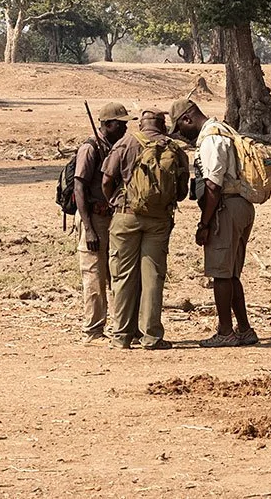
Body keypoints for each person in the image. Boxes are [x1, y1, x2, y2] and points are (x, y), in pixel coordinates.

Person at [99, 107, 190, 349]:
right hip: (159, 220)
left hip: (126, 216)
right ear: (163, 125)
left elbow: (107, 179)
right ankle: (151, 336)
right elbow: (182, 192)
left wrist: (113, 203)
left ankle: (121, 336)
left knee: (123, 277)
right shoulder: (174, 148)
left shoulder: (126, 142)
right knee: (153, 278)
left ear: (141, 124)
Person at [170, 98, 258, 347]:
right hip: (239, 205)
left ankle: (225, 331)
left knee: (220, 274)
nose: (181, 135)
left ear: (187, 118)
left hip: (225, 208)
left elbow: (212, 185)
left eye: (180, 128)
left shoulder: (210, 139)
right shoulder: (224, 130)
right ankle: (244, 329)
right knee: (230, 274)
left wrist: (204, 223)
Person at [71, 102, 128, 341]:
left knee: (113, 273)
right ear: (106, 125)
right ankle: (93, 329)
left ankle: (119, 326)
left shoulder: (115, 148)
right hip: (92, 218)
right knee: (94, 276)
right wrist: (89, 228)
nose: (124, 128)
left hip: (111, 218)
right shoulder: (90, 148)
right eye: (120, 124)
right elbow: (79, 187)